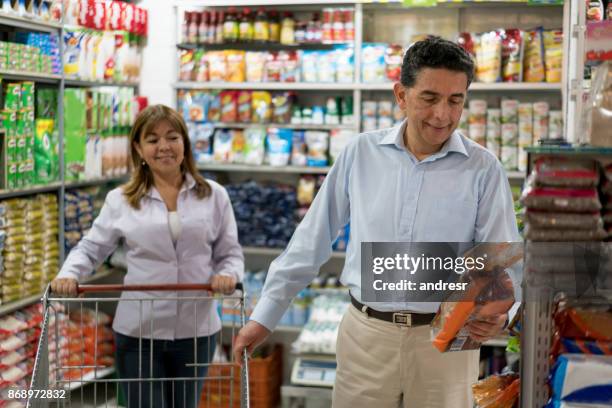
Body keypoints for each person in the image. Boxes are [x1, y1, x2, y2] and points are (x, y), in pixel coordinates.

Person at [234, 37, 520, 408]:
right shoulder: (360, 153)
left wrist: (502, 312)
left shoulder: (483, 168)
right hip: (366, 336)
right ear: (401, 95)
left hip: (446, 341)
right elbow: (312, 238)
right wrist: (266, 315)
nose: (443, 115)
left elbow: (500, 258)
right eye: (429, 98)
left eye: (456, 100)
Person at [51, 105, 244, 408]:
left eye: (172, 137)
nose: (164, 146)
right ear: (139, 149)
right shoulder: (122, 200)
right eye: (152, 140)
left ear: (185, 144)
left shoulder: (214, 195)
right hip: (139, 331)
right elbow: (91, 248)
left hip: (196, 330)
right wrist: (68, 275)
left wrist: (228, 275)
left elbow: (230, 253)